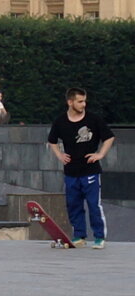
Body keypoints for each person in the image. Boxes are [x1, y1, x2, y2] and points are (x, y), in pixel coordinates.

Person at [47, 87, 115, 249]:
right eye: (80, 101)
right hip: (71, 171)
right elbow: (52, 141)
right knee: (73, 204)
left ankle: (99, 237)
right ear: (70, 102)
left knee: (93, 204)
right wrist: (60, 155)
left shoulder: (93, 120)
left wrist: (100, 154)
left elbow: (109, 137)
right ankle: (79, 235)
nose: (83, 104)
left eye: (84, 101)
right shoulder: (60, 121)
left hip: (90, 171)